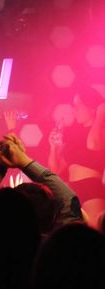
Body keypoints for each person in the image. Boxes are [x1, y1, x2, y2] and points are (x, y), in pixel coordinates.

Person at [48, 88, 105, 227]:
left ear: (91, 107)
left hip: (91, 187)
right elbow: (55, 170)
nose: (74, 110)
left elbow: (93, 145)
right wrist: (53, 148)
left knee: (94, 230)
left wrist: (100, 115)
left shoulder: (101, 131)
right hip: (71, 188)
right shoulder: (74, 136)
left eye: (77, 105)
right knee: (69, 232)